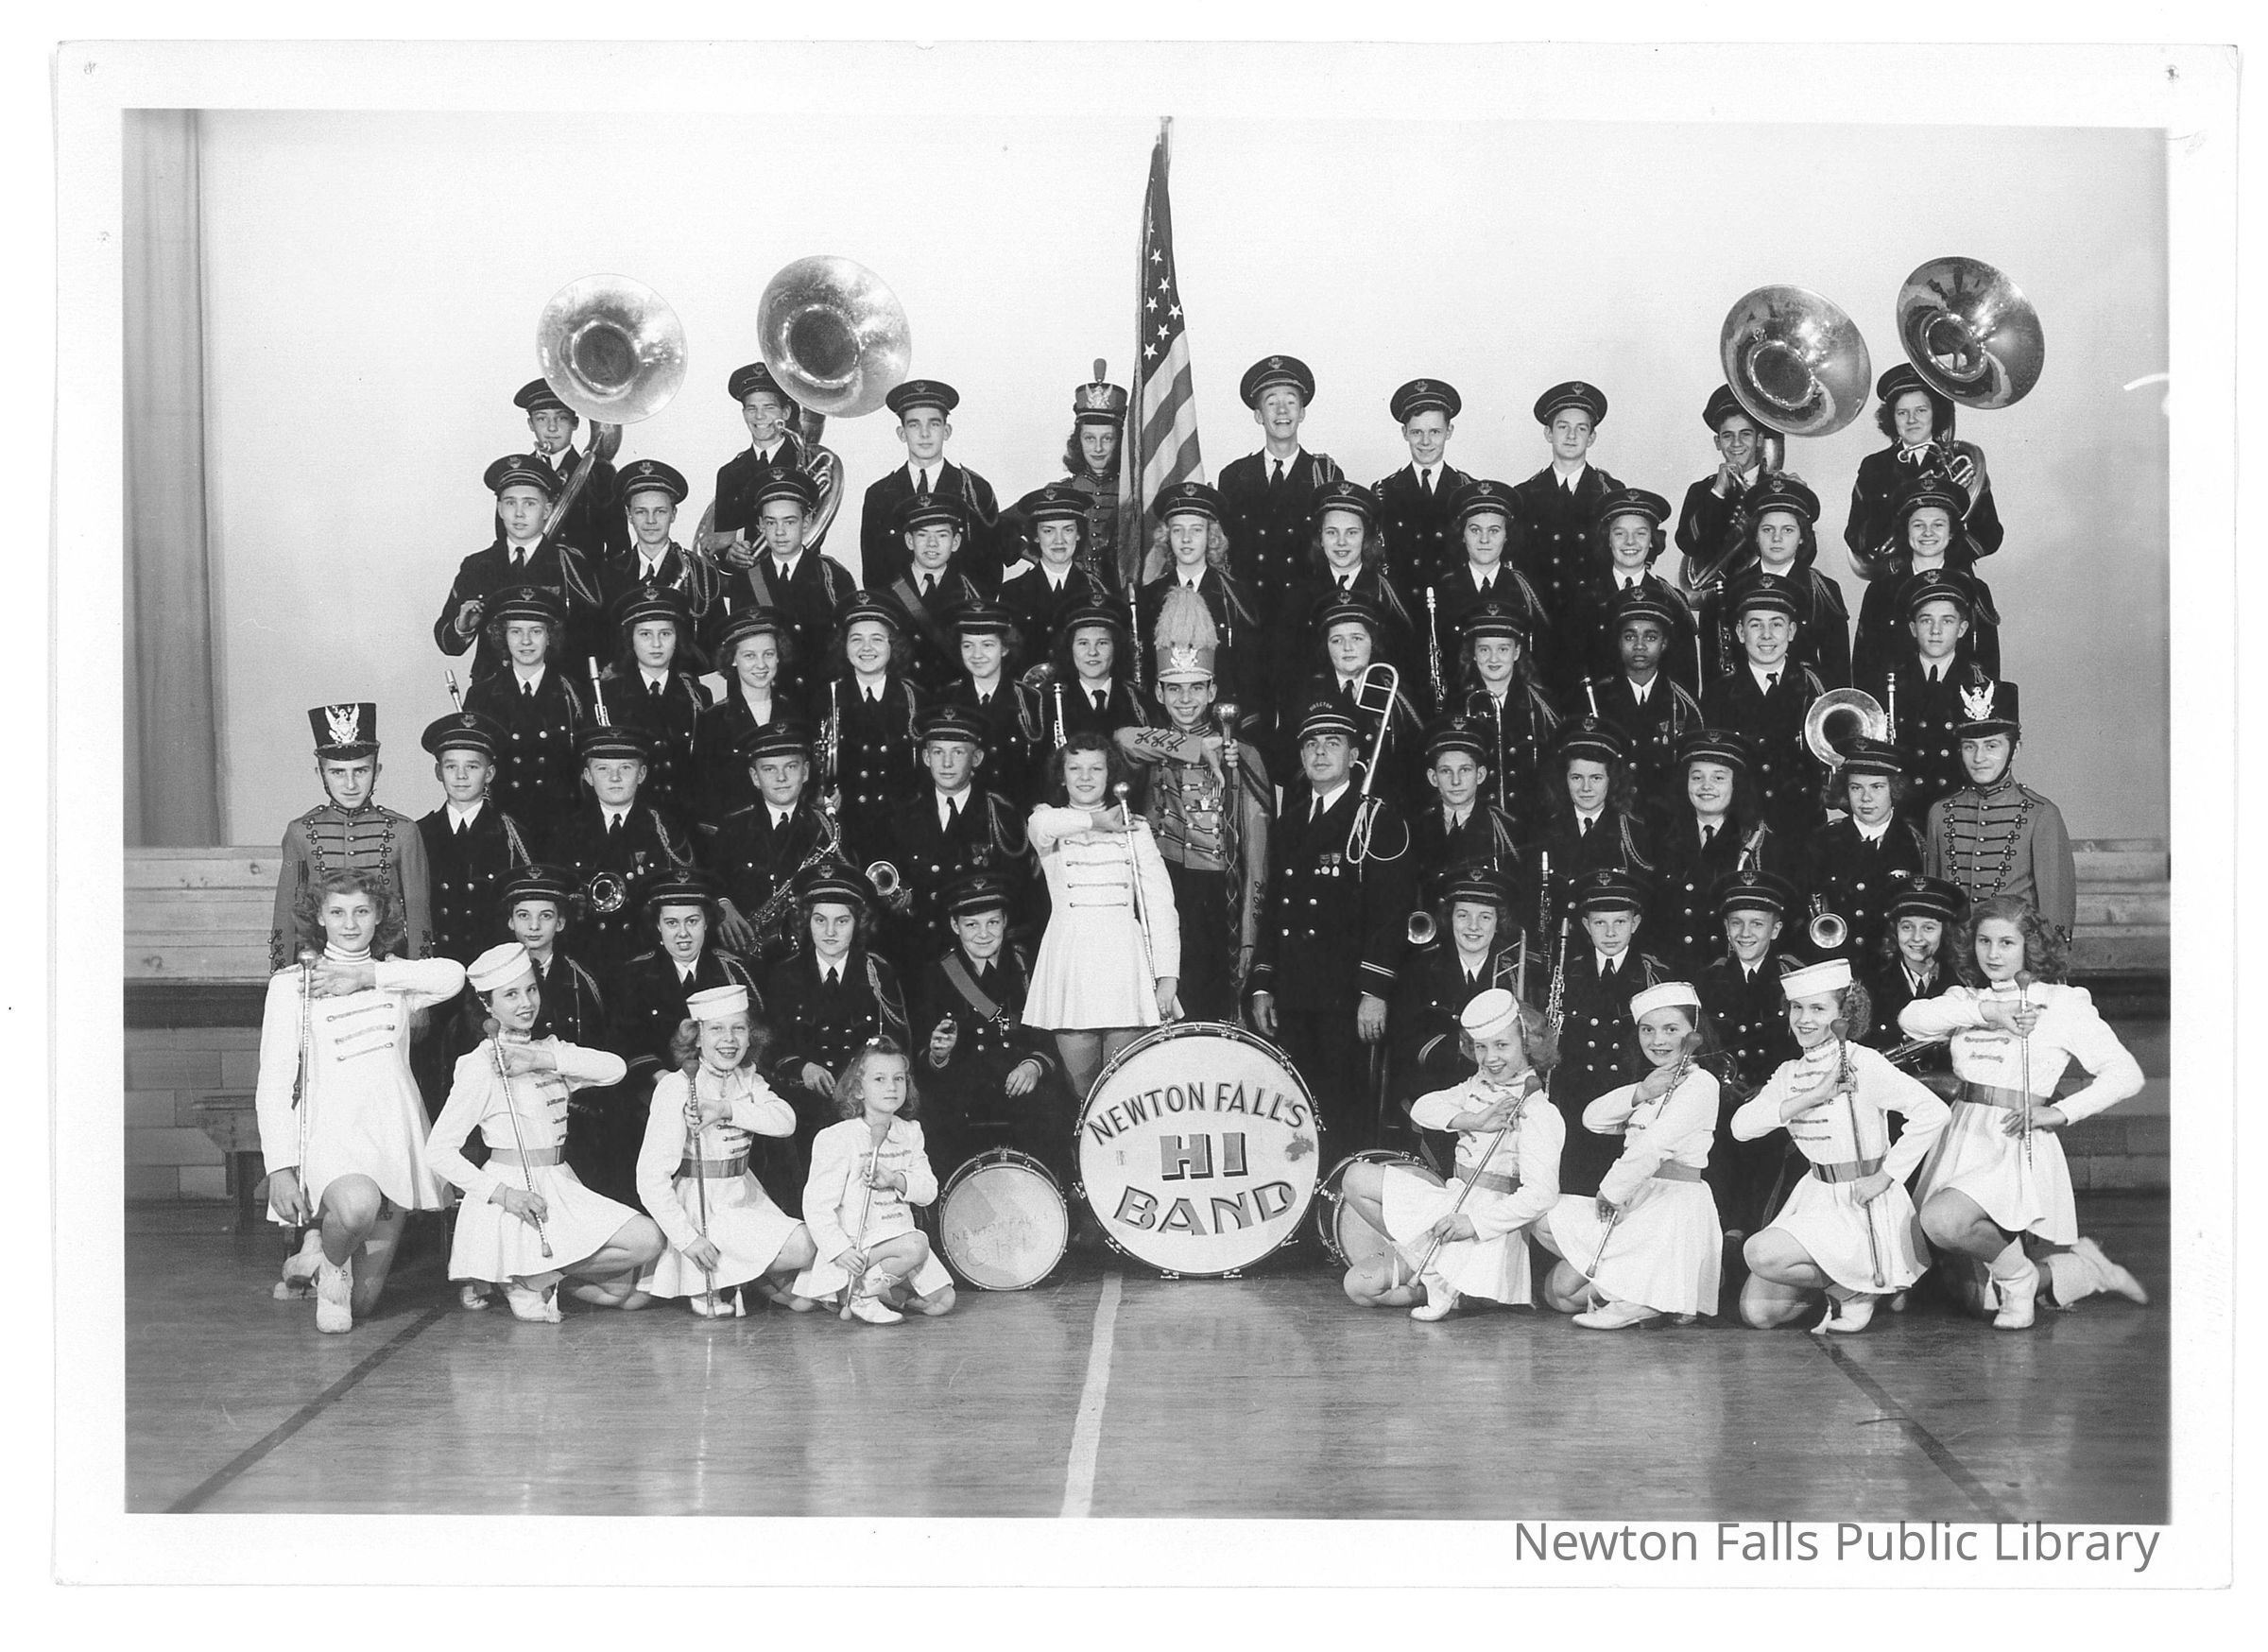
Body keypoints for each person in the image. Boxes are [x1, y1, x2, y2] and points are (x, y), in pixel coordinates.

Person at [1899, 896, 2149, 1327]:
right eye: (1984, 941)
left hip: (2013, 1140)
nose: (1993, 954)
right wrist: (1990, 1012)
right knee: (1978, 1302)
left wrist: (2063, 1112)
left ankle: (2018, 1279)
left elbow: (2125, 1074)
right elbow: (1910, 1018)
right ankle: (2081, 1270)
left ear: (2029, 946)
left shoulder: (2061, 1002)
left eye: (2007, 943)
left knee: (1943, 1221)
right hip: (1962, 1136)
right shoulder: (1968, 999)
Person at [256, 869, 463, 1332]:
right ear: (320, 918)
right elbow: (273, 1081)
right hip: (332, 1132)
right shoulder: (293, 984)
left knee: (364, 1305)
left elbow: (454, 976)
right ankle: (331, 1268)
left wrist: (364, 975)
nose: (350, 924)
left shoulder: (394, 977)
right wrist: (280, 1168)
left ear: (379, 916)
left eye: (362, 911)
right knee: (355, 1208)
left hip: (391, 1135)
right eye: (337, 912)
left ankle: (312, 1255)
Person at [427, 942, 666, 1323]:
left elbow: (616, 1069)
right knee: (647, 1240)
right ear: (488, 1005)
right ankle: (523, 1275)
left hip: (560, 1182)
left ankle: (530, 1277)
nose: (526, 1003)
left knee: (626, 1294)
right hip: (515, 1198)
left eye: (531, 990)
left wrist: (542, 1059)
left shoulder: (549, 1050)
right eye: (511, 995)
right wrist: (505, 1195)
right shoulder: (480, 1065)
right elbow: (438, 1151)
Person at [1729, 959, 1950, 1334]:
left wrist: (1887, 1176)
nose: (1804, 1019)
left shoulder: (1864, 1062)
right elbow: (1741, 1128)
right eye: (1797, 1007)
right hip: (1816, 1198)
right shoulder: (1789, 1073)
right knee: (1758, 1314)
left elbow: (1934, 1112)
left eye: (1818, 1008)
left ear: (1843, 1014)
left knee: (1759, 1252)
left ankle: (1855, 1292)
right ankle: (1850, 1288)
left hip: (1862, 1201)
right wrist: (1813, 1095)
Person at [1332, 990, 1564, 1321]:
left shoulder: (1539, 1111)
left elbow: (1541, 1195)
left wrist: (1473, 1224)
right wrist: (1474, 1121)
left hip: (1488, 1232)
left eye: (1502, 1045)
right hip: (1451, 1202)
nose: (1490, 1058)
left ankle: (1464, 1289)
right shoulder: (1476, 1085)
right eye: (1481, 1047)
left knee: (1364, 1286)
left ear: (1527, 1043)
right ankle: (1431, 1273)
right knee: (1355, 1184)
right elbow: (1424, 1108)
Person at [1248, 701, 1418, 1155]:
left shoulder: (1375, 819)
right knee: (1296, 1109)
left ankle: (1344, 1192)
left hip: (1347, 998)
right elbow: (1275, 910)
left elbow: (1392, 912)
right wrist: (1263, 982)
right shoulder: (1289, 821)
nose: (1320, 752)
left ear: (1354, 755)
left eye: (1332, 743)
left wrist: (1375, 991)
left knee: (1344, 1111)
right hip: (1295, 995)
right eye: (1311, 744)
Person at [1115, 586, 1272, 1024]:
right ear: (1158, 692)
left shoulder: (1243, 753)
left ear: (1212, 690)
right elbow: (1121, 739)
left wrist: (1249, 936)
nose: (1185, 700)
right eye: (1174, 689)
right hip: (1161, 889)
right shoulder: (1148, 744)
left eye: (1196, 688)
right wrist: (1194, 748)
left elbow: (1257, 854)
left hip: (1218, 897)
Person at [1535, 982, 1725, 1329]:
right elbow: (1593, 1119)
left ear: (1694, 1033)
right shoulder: (1653, 1083)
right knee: (1558, 1289)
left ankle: (1648, 1297)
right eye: (1647, 1030)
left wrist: (1611, 1191)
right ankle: (1655, 1291)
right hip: (1637, 1199)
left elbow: (1653, 1147)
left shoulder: (1702, 1084)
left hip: (1671, 1207)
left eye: (1671, 1029)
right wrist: (1640, 1091)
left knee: (1567, 1291)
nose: (1658, 1040)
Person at [634, 985, 817, 1316]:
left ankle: (741, 1275)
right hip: (703, 1207)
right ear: (697, 1037)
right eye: (717, 1029)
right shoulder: (677, 1086)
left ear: (750, 1036)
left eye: (739, 1028)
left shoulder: (747, 1079)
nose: (729, 1039)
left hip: (744, 1196)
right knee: (803, 1246)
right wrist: (687, 1240)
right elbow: (650, 1178)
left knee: (805, 1301)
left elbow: (785, 1121)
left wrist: (725, 1109)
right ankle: (713, 1277)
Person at [1022, 731, 1181, 1099]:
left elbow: (1160, 906)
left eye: (1096, 768)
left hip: (1124, 962)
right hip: (1072, 960)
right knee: (1083, 1091)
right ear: (1061, 776)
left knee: (1124, 1088)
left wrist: (1168, 976)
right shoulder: (1047, 820)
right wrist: (1096, 822)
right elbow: (1042, 827)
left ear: (1110, 775)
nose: (1085, 777)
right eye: (1074, 768)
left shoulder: (1136, 828)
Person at [600, 872, 765, 1208]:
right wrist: (667, 1083)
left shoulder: (734, 973)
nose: (683, 933)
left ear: (707, 924)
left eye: (692, 921)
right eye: (672, 923)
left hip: (723, 1095)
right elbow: (623, 1043)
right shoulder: (632, 975)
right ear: (658, 927)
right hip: (652, 1094)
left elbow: (756, 1038)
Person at [911, 872, 1072, 1179]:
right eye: (972, 925)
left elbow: (1048, 1036)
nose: (983, 934)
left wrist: (1034, 1066)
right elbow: (921, 1052)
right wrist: (938, 1055)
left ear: (1005, 922)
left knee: (1053, 1112)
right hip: (962, 1092)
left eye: (992, 922)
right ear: (955, 926)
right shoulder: (936, 976)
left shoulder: (1026, 966)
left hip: (1019, 1085)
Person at [790, 1039, 956, 1324]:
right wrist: (840, 1251)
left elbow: (928, 1191)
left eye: (898, 1079)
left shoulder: (910, 1132)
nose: (891, 1087)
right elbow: (817, 1206)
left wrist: (895, 1179)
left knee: (943, 1301)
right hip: (858, 1246)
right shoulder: (837, 1138)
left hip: (899, 1239)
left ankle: (864, 1290)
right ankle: (860, 1296)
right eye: (879, 1079)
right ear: (858, 1090)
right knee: (916, 1245)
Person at [761, 867, 912, 1167]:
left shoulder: (878, 972)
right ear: (807, 922)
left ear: (858, 922)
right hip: (802, 1112)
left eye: (842, 921)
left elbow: (898, 1043)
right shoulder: (784, 975)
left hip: (862, 1110)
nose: (830, 932)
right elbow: (769, 1047)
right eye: (820, 920)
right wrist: (802, 1068)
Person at [269, 703, 433, 970]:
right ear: (320, 774)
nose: (350, 784)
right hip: (321, 967)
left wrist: (418, 976)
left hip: (387, 968)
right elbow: (287, 914)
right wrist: (281, 973)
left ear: (376, 771)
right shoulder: (301, 832)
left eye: (360, 770)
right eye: (337, 772)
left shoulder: (403, 831)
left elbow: (418, 914)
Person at [1387, 865, 1537, 1146]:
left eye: (1485, 917)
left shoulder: (1522, 969)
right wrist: (1465, 1046)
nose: (1473, 926)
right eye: (1463, 915)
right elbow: (1404, 1043)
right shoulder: (1419, 968)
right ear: (1450, 918)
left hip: (1502, 1098)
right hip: (1437, 1096)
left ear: (1498, 921)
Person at [1695, 869, 1805, 1247]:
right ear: (1725, 928)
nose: (1745, 933)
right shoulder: (1706, 980)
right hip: (1720, 1105)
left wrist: (1770, 1092)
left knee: (1766, 1190)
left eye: (1757, 923)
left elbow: (1805, 1050)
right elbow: (1700, 1046)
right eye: (1736, 923)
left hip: (1776, 1106)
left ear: (1775, 929)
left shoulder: (1794, 978)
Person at [1549, 868, 1673, 1196]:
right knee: (1574, 1197)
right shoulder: (1566, 972)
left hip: (1631, 1108)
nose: (1610, 932)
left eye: (1620, 921)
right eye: (1600, 923)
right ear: (1586, 925)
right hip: (1575, 1109)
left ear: (1635, 923)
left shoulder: (1654, 975)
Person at [873, 704, 1028, 967]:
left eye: (958, 752)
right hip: (916, 953)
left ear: (977, 758)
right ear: (925, 757)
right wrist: (899, 899)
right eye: (938, 752)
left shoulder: (1001, 816)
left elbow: (1017, 894)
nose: (946, 763)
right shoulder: (902, 815)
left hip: (975, 956)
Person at [1921, 680, 2076, 938]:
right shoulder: (1940, 813)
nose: (1979, 758)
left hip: (2017, 959)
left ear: (2015, 750)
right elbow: (1933, 906)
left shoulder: (2041, 814)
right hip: (1956, 956)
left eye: (1991, 746)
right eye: (1969, 746)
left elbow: (2055, 916)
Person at [434, 454, 605, 682]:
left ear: (547, 510)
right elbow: (448, 644)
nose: (519, 513)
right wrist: (463, 627)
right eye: (510, 502)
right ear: (500, 509)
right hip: (492, 692)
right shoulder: (477, 565)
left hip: (554, 690)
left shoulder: (570, 564)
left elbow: (596, 635)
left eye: (530, 503)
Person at [1842, 363, 2004, 581]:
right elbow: (1855, 536)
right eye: (1902, 412)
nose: (1912, 420)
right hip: (1894, 582)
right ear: (1891, 418)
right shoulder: (1874, 467)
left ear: (1936, 413)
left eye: (1921, 410)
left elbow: (1990, 535)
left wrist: (1939, 555)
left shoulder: (1960, 462)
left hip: (1952, 579)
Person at [1647, 729, 1789, 977]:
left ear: (1736, 784)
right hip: (1672, 973)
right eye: (1697, 777)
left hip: (1728, 978)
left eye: (1719, 778)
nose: (1706, 786)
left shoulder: (1759, 843)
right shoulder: (1660, 838)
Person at [1699, 573, 1829, 840]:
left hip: (1803, 828)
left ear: (1791, 631)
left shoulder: (1815, 689)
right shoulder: (1718, 694)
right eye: (1756, 625)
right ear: (1740, 632)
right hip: (1741, 828)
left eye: (1776, 624)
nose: (1767, 635)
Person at [699, 465, 852, 691]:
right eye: (771, 522)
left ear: (807, 522)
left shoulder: (833, 575)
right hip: (770, 698)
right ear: (760, 526)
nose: (780, 532)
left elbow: (849, 646)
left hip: (821, 698)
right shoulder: (746, 580)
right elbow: (740, 650)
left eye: (789, 521)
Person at [1691, 474, 1849, 688]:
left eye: (1788, 530)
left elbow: (1838, 673)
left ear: (1802, 537)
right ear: (1755, 535)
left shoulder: (1822, 591)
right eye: (1767, 529)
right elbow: (1713, 677)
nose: (1777, 538)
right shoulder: (1728, 592)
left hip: (1805, 700)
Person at [461, 585, 589, 849]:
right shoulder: (481, 695)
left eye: (536, 631)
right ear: (503, 637)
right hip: (502, 826)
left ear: (550, 636)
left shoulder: (575, 694)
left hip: (564, 826)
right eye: (516, 631)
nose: (526, 641)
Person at [1276, 480, 1419, 714]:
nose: (1341, 542)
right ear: (1320, 537)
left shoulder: (1391, 594)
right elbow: (1286, 670)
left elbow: (1407, 666)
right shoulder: (1298, 596)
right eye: (1332, 532)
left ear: (1366, 537)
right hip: (1315, 711)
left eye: (1352, 532)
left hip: (1377, 712)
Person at [1850, 471, 2002, 691]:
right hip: (1894, 705)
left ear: (1951, 532)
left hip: (1957, 706)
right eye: (1918, 525)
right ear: (1906, 531)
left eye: (1938, 525)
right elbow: (1863, 666)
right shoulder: (1880, 591)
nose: (1927, 533)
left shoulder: (1975, 590)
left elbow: (1988, 666)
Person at [1216, 354, 1345, 613]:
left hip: (1307, 612)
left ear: (1302, 413)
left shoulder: (1326, 474)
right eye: (1272, 403)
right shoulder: (1233, 477)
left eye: (1290, 402)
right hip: (1250, 613)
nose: (1282, 411)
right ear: (1258, 415)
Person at [1134, 480, 1260, 731]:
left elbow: (1249, 670)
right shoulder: (1148, 597)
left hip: (1223, 725)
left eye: (1196, 530)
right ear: (1166, 536)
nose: (1186, 539)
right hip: (1164, 727)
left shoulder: (1235, 595)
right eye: (1177, 530)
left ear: (1211, 536)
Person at [1555, 486, 1699, 705]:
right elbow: (1566, 676)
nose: (1630, 542)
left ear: (1653, 540)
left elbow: (1685, 683)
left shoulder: (1671, 601)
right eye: (1619, 533)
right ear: (1607, 539)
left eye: (1640, 533)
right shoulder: (1582, 600)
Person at [710, 721, 838, 966]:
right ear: (754, 777)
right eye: (769, 769)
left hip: (809, 958)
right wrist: (722, 904)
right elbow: (712, 882)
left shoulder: (826, 829)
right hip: (747, 958)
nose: (781, 778)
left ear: (806, 772)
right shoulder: (732, 828)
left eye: (791, 766)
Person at [858, 379, 1003, 594]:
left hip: (962, 610)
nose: (924, 434)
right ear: (901, 433)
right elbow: (873, 573)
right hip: (899, 611)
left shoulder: (975, 490)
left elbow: (990, 571)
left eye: (934, 424)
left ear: (947, 431)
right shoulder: (878, 495)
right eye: (914, 424)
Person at [703, 361, 845, 563]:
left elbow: (811, 528)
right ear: (744, 414)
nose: (759, 416)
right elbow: (720, 545)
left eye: (769, 407)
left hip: (801, 574)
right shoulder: (729, 473)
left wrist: (734, 536)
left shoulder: (807, 463)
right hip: (750, 580)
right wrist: (730, 554)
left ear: (785, 413)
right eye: (751, 408)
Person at [592, 584, 712, 821]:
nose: (656, 644)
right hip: (630, 818)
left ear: (677, 639)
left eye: (665, 634)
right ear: (631, 640)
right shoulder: (605, 696)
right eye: (645, 634)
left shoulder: (698, 695)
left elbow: (703, 768)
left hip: (684, 819)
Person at [1883, 569, 1994, 826]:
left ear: (1962, 628)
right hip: (1904, 815)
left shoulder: (1980, 685)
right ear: (1913, 628)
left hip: (1961, 813)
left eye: (1947, 621)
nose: (1936, 630)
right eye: (1926, 621)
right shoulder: (1889, 683)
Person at [1428, 479, 1555, 702]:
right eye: (1475, 530)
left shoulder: (1529, 591)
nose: (1484, 540)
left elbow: (1542, 660)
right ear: (1462, 534)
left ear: (1507, 535)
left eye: (1494, 530)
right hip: (1455, 705)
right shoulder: (1439, 591)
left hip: (1516, 705)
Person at [1804, 737, 1927, 966]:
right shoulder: (1821, 841)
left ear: (1894, 789)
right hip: (1836, 965)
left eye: (1877, 787)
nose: (1865, 798)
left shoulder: (1917, 842)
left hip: (1895, 969)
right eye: (1856, 788)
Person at [691, 607, 813, 833]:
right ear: (732, 659)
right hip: (734, 836)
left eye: (769, 654)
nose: (761, 665)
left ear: (779, 656)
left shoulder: (796, 713)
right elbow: (704, 794)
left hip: (790, 832)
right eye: (749, 656)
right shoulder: (713, 720)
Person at [823, 594, 923, 869]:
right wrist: (821, 795)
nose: (866, 648)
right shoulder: (826, 698)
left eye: (877, 639)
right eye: (856, 639)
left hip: (902, 831)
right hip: (845, 831)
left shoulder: (916, 699)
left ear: (893, 645)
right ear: (843, 646)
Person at [1506, 381, 1623, 616]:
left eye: (1581, 428)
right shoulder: (1523, 495)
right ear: (1548, 433)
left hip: (1594, 618)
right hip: (1540, 617)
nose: (1571, 436)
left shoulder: (1611, 493)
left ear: (1592, 437)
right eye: (1563, 427)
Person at [1586, 586, 1706, 812]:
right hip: (1612, 818)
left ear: (1664, 644)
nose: (1639, 645)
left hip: (1666, 821)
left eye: (1650, 637)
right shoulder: (1595, 701)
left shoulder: (1684, 707)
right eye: (1630, 636)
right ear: (1618, 642)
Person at [1445, 600, 1560, 830]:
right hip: (1475, 825)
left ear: (1516, 652)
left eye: (1503, 649)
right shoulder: (1456, 705)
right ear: (1473, 654)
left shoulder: (1543, 705)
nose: (1493, 659)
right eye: (1484, 649)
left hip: (1531, 825)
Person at [1531, 719, 1658, 917]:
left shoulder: (1634, 835)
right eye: (1577, 778)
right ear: (1564, 780)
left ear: (1611, 780)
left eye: (1596, 778)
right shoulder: (1543, 831)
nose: (1586, 788)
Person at [939, 597, 1044, 809]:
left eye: (987, 645)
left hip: (1018, 812)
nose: (977, 655)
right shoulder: (946, 699)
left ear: (1005, 648)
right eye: (968, 645)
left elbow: (1043, 766)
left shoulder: (1032, 700)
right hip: (963, 811)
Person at [1863, 873, 1967, 1088]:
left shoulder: (1965, 984)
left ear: (1945, 932)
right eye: (1907, 927)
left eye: (1928, 928)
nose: (1916, 938)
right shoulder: (1869, 986)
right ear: (1895, 931)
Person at [600, 458, 719, 643]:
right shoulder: (608, 573)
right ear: (629, 515)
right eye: (641, 511)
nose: (651, 521)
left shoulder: (701, 573)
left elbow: (714, 645)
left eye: (660, 511)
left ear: (673, 514)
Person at [1405, 721, 1525, 903]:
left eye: (1465, 770)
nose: (1456, 781)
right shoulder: (1413, 829)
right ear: (1433, 777)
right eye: (1446, 771)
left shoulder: (1507, 830)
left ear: (1480, 775)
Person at [1370, 377, 1469, 596]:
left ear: (1449, 431)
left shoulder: (1467, 489)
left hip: (1454, 605)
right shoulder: (1383, 492)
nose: (1425, 441)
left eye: (1435, 431)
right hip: (1402, 607)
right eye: (1417, 432)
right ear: (1404, 432)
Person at [877, 494, 984, 696]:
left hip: (955, 697)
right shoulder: (886, 595)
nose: (932, 544)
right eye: (922, 535)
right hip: (902, 696)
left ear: (955, 542)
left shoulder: (973, 594)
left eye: (942, 535)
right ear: (909, 541)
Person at [1001, 483, 1112, 666]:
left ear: (1078, 534)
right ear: (1035, 536)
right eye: (1048, 531)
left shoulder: (1097, 590)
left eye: (1068, 530)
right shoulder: (1012, 592)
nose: (1059, 540)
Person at [512, 377, 623, 561]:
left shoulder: (600, 474)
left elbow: (618, 548)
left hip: (584, 579)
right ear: (530, 424)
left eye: (561, 418)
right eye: (541, 418)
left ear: (575, 423)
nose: (552, 427)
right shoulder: (516, 474)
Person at [1674, 385, 1766, 586]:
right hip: (1716, 599)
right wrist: (1717, 492)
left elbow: (1806, 554)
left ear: (1759, 440)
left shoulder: (1777, 488)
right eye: (1727, 435)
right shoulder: (1702, 491)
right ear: (1717, 442)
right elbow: (1688, 544)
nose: (1736, 443)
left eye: (1745, 434)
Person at [1051, 595, 1151, 742]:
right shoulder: (1051, 703)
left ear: (1116, 647)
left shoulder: (1139, 703)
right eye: (1083, 643)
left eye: (1102, 643)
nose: (1092, 652)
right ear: (1069, 648)